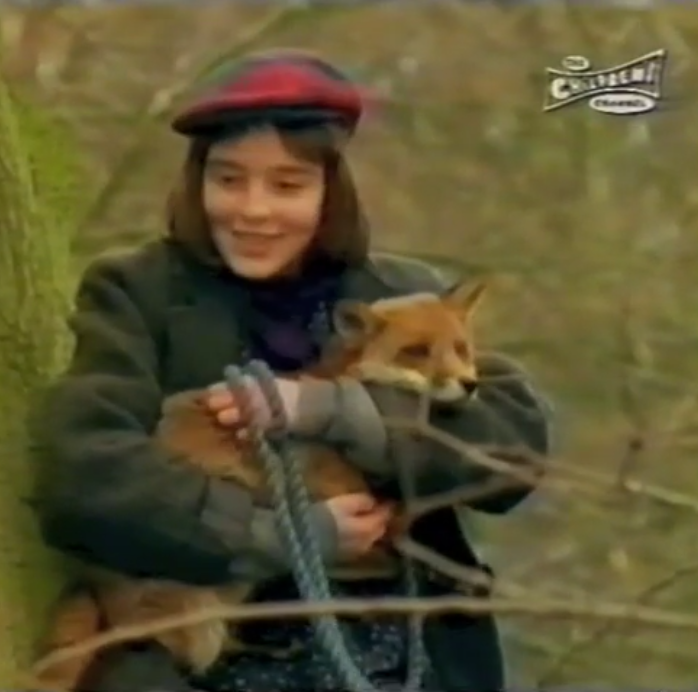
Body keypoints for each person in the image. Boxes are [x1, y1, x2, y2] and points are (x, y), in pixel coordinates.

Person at [30, 50, 555, 692]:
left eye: (287, 186)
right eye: (228, 180)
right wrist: (277, 534)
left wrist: (333, 411)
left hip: (397, 648)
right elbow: (87, 471)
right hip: (203, 640)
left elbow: (509, 443)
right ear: (197, 184)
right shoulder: (138, 292)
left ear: (330, 192)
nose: (254, 210)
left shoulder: (401, 293)